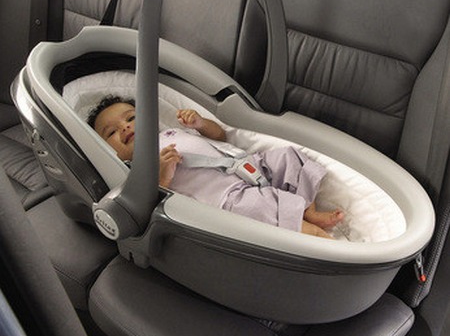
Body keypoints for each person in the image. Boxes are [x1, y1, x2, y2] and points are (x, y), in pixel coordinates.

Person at [87, 95, 344, 238]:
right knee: (266, 211)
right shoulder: (136, 171)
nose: (125, 127)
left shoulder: (172, 132)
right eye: (111, 132)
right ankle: (321, 239)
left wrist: (200, 124)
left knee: (290, 156)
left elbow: (220, 137)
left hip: (250, 165)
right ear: (109, 151)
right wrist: (162, 177)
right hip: (228, 199)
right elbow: (152, 203)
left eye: (131, 118)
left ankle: (309, 210)